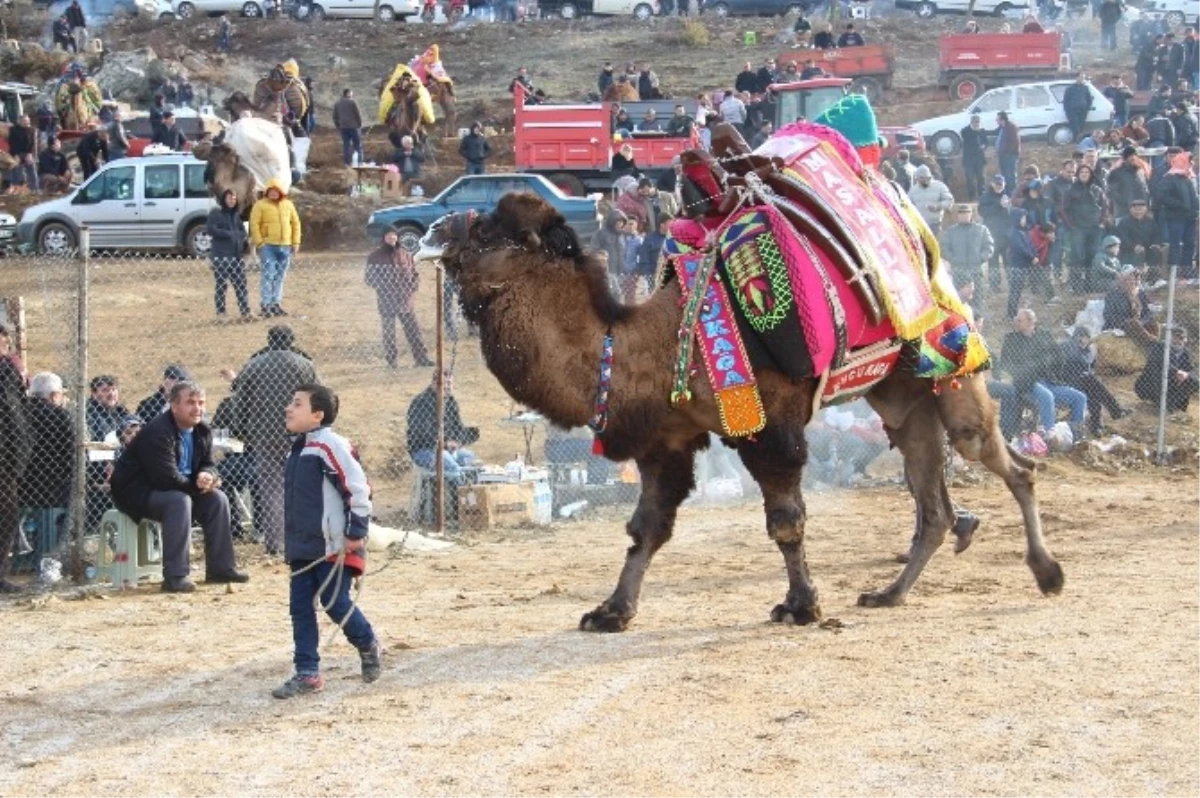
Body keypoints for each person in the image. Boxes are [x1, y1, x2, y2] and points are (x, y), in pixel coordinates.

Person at [272, 384, 380, 699]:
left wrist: (354, 533)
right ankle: (307, 673)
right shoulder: (297, 449)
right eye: (290, 403)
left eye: (297, 404)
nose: (288, 409)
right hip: (303, 548)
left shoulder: (330, 446)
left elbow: (358, 490)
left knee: (335, 603)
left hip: (334, 545)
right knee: (300, 608)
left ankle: (367, 642)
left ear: (318, 415)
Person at [109, 381, 248, 593]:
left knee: (217, 499)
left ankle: (221, 569)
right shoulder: (158, 431)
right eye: (190, 402)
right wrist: (198, 485)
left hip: (179, 488)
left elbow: (209, 464)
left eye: (201, 402)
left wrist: (208, 476)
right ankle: (175, 576)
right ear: (174, 406)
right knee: (179, 501)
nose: (197, 408)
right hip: (137, 492)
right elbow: (164, 478)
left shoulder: (202, 431)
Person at [232, 325, 319, 554]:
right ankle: (304, 538)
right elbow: (321, 396)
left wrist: (240, 430)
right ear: (291, 341)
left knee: (271, 489)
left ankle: (276, 544)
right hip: (300, 434)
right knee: (301, 485)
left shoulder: (254, 366)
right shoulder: (305, 365)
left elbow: (240, 400)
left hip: (265, 434)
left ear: (269, 341)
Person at [999, 309, 1088, 438]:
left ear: (1031, 322)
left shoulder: (1043, 335)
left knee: (1080, 397)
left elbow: (1058, 355)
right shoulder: (1011, 339)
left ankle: (1075, 435)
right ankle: (1049, 436)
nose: (1016, 322)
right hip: (1027, 383)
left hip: (1049, 381)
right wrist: (1022, 373)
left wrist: (1056, 373)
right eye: (1016, 320)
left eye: (1020, 320)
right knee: (1047, 396)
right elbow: (1005, 363)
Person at [18, 372, 74, 567]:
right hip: (52, 488)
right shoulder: (59, 415)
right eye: (60, 394)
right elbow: (71, 455)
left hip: (20, 484)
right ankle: (53, 555)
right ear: (52, 396)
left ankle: (21, 559)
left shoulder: (19, 412)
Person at [365, 229, 432, 368]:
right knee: (389, 334)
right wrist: (385, 287)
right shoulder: (374, 257)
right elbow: (370, 278)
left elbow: (414, 274)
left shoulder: (405, 254)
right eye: (388, 235)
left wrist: (412, 288)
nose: (391, 237)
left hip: (405, 300)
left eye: (394, 234)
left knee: (414, 331)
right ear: (383, 238)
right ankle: (392, 362)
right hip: (386, 300)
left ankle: (421, 359)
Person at [406, 370, 479, 477]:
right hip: (424, 451)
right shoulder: (421, 402)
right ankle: (455, 493)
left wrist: (468, 435)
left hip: (447, 450)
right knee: (454, 470)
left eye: (450, 383)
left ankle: (471, 492)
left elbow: (457, 428)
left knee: (471, 461)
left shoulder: (450, 401)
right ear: (434, 383)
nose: (448, 387)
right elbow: (423, 434)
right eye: (445, 383)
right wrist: (445, 444)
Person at [1060, 326, 1127, 435]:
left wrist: (1086, 349)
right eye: (1079, 337)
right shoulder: (1068, 345)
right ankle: (1114, 411)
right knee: (1092, 382)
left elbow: (1090, 368)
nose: (1082, 340)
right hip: (1067, 381)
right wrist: (1080, 346)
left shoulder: (1089, 350)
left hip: (1084, 381)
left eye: (1086, 337)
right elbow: (1076, 359)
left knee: (1093, 390)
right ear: (1075, 337)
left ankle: (1097, 426)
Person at [0, 329, 28, 593]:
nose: (4, 348)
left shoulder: (8, 371)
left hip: (7, 460)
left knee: (7, 516)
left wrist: (20, 453)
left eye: (6, 343)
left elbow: (18, 411)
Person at [250, 178, 301, 318]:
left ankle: (276, 304)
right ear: (267, 192)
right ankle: (266, 305)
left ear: (280, 192)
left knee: (280, 276)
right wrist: (260, 243)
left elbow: (296, 224)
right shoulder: (260, 205)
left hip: (285, 246)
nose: (274, 193)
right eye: (271, 191)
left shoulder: (288, 205)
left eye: (276, 191)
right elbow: (254, 224)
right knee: (268, 275)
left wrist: (295, 243)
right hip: (268, 246)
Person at [207, 188, 253, 321]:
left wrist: (238, 236)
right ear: (223, 199)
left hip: (236, 256)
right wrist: (229, 234)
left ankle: (245, 312)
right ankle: (221, 313)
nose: (232, 201)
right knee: (221, 285)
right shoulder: (215, 213)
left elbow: (243, 232)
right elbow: (211, 229)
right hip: (221, 255)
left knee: (241, 284)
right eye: (229, 198)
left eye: (234, 198)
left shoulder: (236, 215)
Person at [939, 205, 995, 308]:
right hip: (958, 272)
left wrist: (981, 258)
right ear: (957, 215)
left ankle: (976, 321)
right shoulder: (951, 231)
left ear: (971, 214)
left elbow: (989, 246)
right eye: (961, 213)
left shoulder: (981, 229)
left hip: (976, 271)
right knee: (957, 300)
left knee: (977, 300)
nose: (964, 215)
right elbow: (944, 248)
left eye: (966, 213)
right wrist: (953, 259)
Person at [1061, 163, 1105, 293]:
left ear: (1091, 174)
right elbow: (1064, 209)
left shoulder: (1097, 190)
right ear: (1078, 175)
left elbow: (1106, 206)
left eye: (1087, 172)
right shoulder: (1070, 190)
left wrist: (1102, 222)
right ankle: (1076, 287)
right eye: (1082, 172)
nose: (1084, 175)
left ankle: (1090, 286)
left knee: (1092, 257)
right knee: (1077, 257)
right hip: (1078, 228)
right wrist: (1071, 225)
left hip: (1095, 228)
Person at [1154, 152, 1197, 280]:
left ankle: (1187, 274)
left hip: (1190, 218)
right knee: (1175, 245)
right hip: (1175, 218)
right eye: (1189, 162)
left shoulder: (1187, 177)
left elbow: (1193, 198)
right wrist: (1180, 205)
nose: (1191, 164)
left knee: (1190, 244)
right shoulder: (1169, 177)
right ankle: (1174, 274)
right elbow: (1161, 197)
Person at [1137, 326, 1200, 412]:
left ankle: (1169, 404)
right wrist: (1177, 372)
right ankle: (1164, 404)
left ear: (1186, 340)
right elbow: (1160, 363)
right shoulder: (1160, 346)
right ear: (1169, 337)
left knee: (1195, 381)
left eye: (1181, 338)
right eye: (1175, 337)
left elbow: (1190, 368)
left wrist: (1187, 375)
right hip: (1151, 384)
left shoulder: (1185, 352)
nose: (1178, 341)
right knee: (1161, 373)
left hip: (1172, 384)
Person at [1103, 266, 1161, 347]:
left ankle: (1153, 344)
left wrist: (1142, 321)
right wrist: (1124, 322)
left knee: (1154, 324)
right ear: (1124, 280)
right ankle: (1153, 343)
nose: (1135, 282)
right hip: (1121, 324)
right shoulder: (1113, 295)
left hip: (1139, 324)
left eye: (1137, 279)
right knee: (1132, 323)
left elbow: (1148, 312)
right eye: (1132, 279)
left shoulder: (1140, 293)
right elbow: (1107, 315)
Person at [978, 173, 1011, 292]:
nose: (999, 186)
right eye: (997, 184)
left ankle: (1012, 283)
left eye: (1001, 184)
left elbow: (1011, 215)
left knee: (1009, 261)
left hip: (1006, 235)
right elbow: (983, 213)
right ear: (992, 184)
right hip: (992, 235)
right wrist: (999, 205)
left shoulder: (1007, 196)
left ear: (1004, 184)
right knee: (993, 262)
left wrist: (1007, 206)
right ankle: (994, 286)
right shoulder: (985, 197)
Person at [1007, 208, 1039, 319]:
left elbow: (1030, 245)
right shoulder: (1014, 232)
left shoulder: (1024, 232)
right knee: (1015, 290)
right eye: (1022, 218)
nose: (1024, 220)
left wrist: (1035, 255)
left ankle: (1015, 312)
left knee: (1019, 290)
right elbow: (1020, 248)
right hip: (1017, 265)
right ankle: (1011, 314)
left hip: (1024, 265)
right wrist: (1031, 257)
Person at [906, 165, 954, 234]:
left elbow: (949, 200)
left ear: (930, 177)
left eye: (926, 178)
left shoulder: (939, 186)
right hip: (919, 225)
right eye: (921, 178)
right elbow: (908, 206)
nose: (924, 180)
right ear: (917, 178)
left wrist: (938, 206)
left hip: (935, 224)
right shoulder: (913, 190)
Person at [333, 89, 364, 167]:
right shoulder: (352, 102)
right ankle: (359, 162)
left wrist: (338, 126)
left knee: (346, 145)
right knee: (357, 145)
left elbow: (335, 117)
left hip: (343, 127)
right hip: (354, 127)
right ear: (348, 93)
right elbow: (357, 114)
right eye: (351, 93)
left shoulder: (337, 104)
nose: (352, 95)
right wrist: (360, 124)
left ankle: (347, 163)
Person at [959, 115, 987, 201]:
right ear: (971, 122)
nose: (977, 124)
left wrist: (984, 146)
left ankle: (981, 196)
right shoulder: (965, 131)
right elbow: (969, 141)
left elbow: (986, 141)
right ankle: (972, 196)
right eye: (975, 122)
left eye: (978, 122)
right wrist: (976, 132)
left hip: (980, 159)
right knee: (970, 179)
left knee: (981, 178)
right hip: (969, 160)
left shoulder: (982, 131)